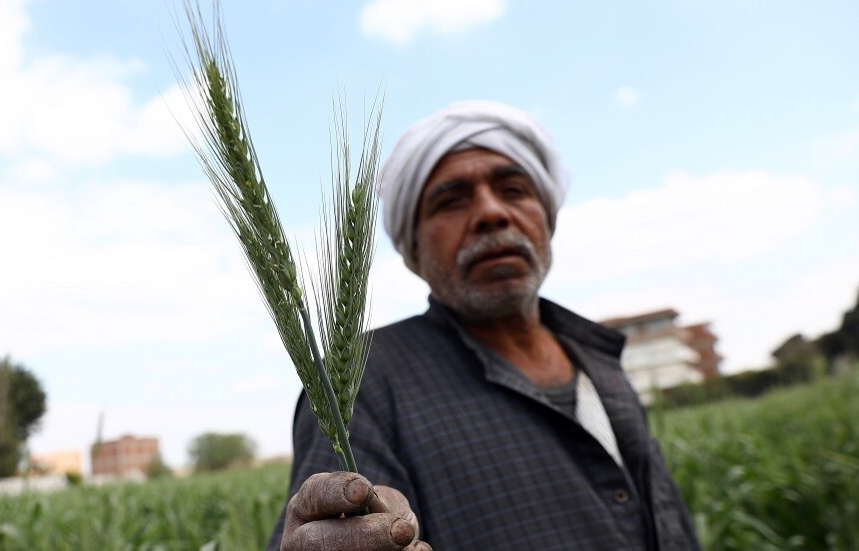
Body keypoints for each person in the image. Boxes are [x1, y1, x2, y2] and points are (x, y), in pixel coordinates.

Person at [267, 101, 701, 550]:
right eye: (451, 200)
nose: (491, 213)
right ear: (412, 248)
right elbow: (327, 532)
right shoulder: (364, 382)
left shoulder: (601, 362)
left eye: (513, 189)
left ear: (546, 217)